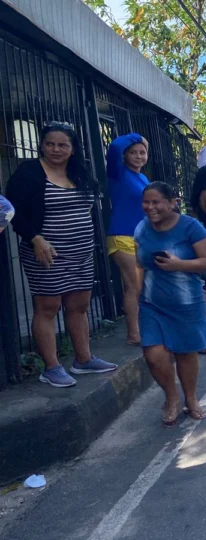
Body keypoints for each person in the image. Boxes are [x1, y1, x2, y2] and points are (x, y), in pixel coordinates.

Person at [5, 122, 117, 388]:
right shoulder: (29, 173)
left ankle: (84, 359)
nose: (56, 149)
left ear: (73, 148)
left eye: (63, 145)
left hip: (81, 253)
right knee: (48, 308)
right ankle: (52, 367)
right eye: (50, 144)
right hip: (46, 253)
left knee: (79, 307)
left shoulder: (80, 173)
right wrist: (35, 238)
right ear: (41, 145)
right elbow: (12, 211)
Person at [135, 182, 206, 425]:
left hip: (186, 303)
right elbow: (139, 264)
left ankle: (190, 398)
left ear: (173, 203)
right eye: (146, 202)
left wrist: (179, 265)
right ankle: (171, 397)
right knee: (153, 355)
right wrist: (135, 294)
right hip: (151, 304)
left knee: (185, 353)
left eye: (156, 202)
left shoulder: (191, 227)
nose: (150, 207)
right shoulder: (141, 228)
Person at [106, 133, 150, 346]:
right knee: (135, 285)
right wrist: (138, 137)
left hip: (140, 237)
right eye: (133, 152)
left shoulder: (142, 177)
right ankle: (134, 333)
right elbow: (115, 146)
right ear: (125, 156)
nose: (139, 156)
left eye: (142, 152)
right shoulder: (118, 173)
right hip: (122, 235)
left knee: (138, 286)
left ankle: (139, 330)